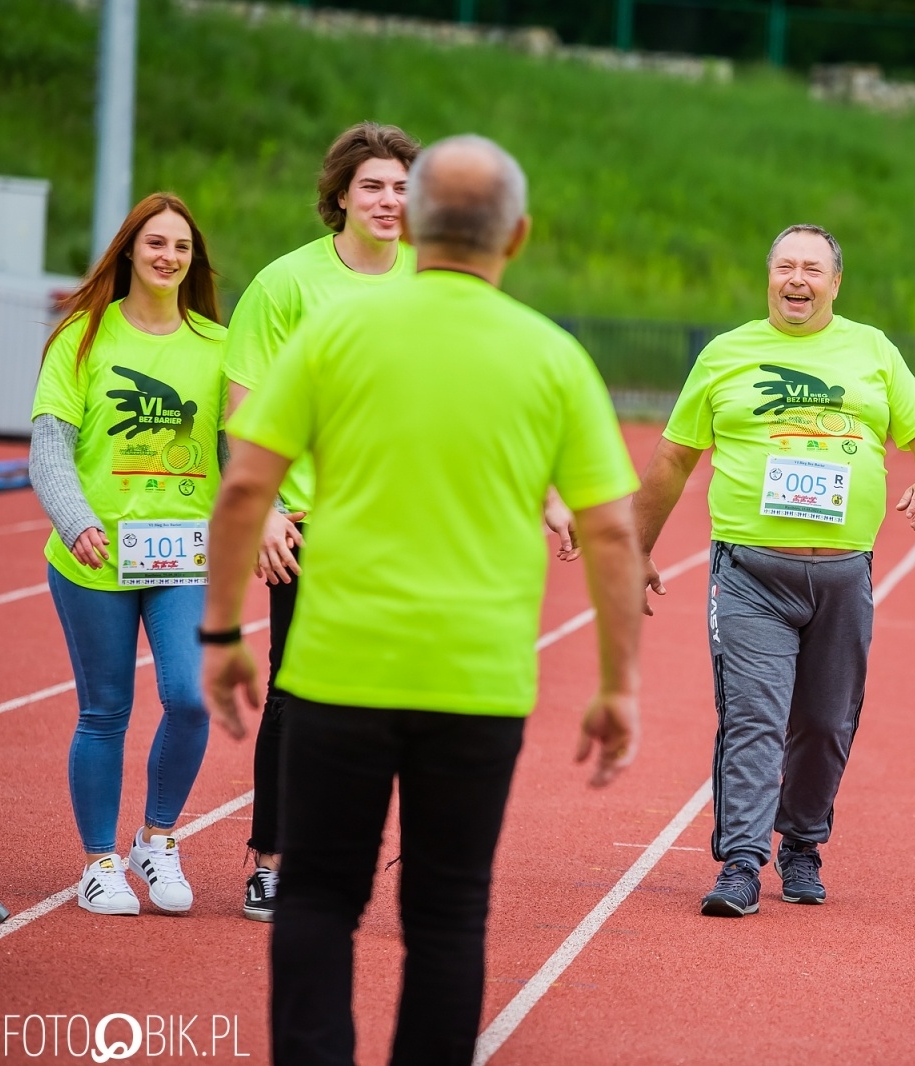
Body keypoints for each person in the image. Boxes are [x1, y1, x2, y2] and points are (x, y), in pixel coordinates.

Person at [200, 134, 643, 1066]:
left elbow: (245, 486)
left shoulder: (333, 333)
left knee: (319, 898)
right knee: (447, 915)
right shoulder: (554, 356)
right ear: (516, 236)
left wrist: (218, 633)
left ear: (420, 221)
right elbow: (608, 531)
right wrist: (617, 685)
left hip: (339, 669)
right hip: (476, 683)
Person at [633, 223, 915, 917]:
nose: (797, 278)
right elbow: (672, 458)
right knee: (752, 717)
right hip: (751, 572)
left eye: (812, 268)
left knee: (825, 721)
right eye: (785, 266)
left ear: (835, 283)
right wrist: (636, 547)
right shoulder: (726, 354)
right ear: (769, 277)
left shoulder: (872, 350)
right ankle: (742, 865)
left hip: (843, 575)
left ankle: (802, 845)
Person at [221, 121, 420, 921]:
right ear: (339, 194)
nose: (389, 200)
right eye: (373, 185)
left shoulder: (436, 280)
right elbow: (243, 407)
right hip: (310, 522)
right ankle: (271, 860)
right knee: (298, 696)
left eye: (404, 187)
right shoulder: (284, 285)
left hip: (406, 528)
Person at [29, 193, 227, 916]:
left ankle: (158, 837)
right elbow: (51, 448)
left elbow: (243, 446)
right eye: (156, 243)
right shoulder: (81, 336)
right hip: (94, 555)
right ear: (129, 251)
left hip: (186, 556)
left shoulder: (216, 344)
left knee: (190, 696)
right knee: (105, 710)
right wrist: (77, 520)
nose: (168, 256)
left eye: (181, 246)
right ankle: (99, 860)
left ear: (192, 261)